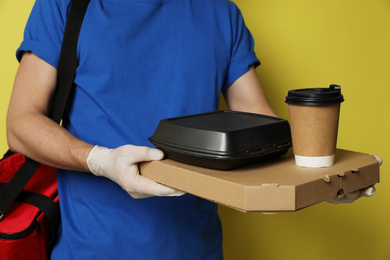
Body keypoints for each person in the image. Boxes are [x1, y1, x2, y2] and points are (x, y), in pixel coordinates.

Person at [6, 0, 377, 259]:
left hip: (197, 251)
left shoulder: (221, 13)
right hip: (91, 251)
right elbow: (21, 124)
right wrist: (100, 161)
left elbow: (266, 133)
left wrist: (321, 179)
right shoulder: (64, 5)